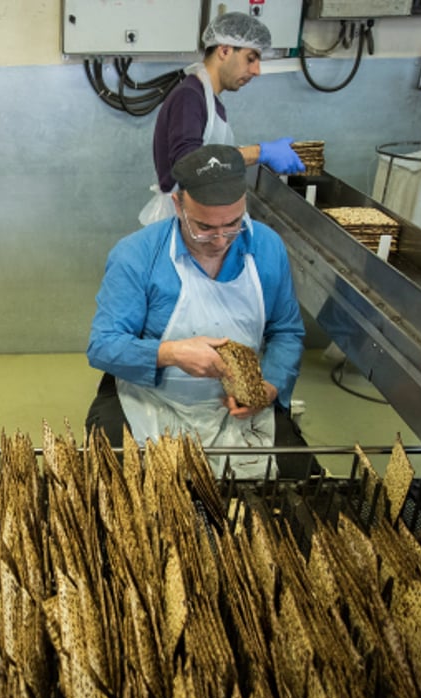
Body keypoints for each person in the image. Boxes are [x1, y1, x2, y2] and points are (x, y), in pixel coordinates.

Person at [87, 145, 305, 478]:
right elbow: (103, 345)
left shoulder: (267, 247)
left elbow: (286, 332)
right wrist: (171, 353)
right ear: (178, 205)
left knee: (295, 485)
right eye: (203, 227)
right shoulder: (137, 255)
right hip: (149, 402)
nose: (220, 240)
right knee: (123, 490)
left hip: (236, 413)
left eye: (232, 225)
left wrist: (271, 386)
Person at [139, 12, 305, 225]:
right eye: (251, 59)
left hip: (202, 219)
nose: (256, 70)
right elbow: (189, 163)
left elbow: (208, 155)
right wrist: (259, 152)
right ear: (224, 50)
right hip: (185, 222)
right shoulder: (189, 97)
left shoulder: (208, 98)